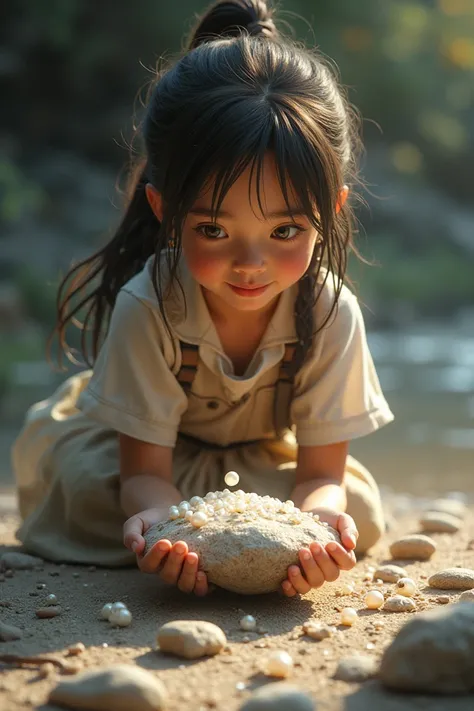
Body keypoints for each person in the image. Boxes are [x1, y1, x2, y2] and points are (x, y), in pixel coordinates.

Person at [12, 0, 394, 598]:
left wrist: (316, 525)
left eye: (285, 232)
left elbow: (321, 473)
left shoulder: (328, 312)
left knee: (356, 509)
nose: (250, 263)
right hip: (151, 458)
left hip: (256, 457)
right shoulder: (151, 305)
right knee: (90, 491)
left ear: (331, 212)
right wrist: (165, 526)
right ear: (166, 210)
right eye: (214, 230)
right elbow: (144, 475)